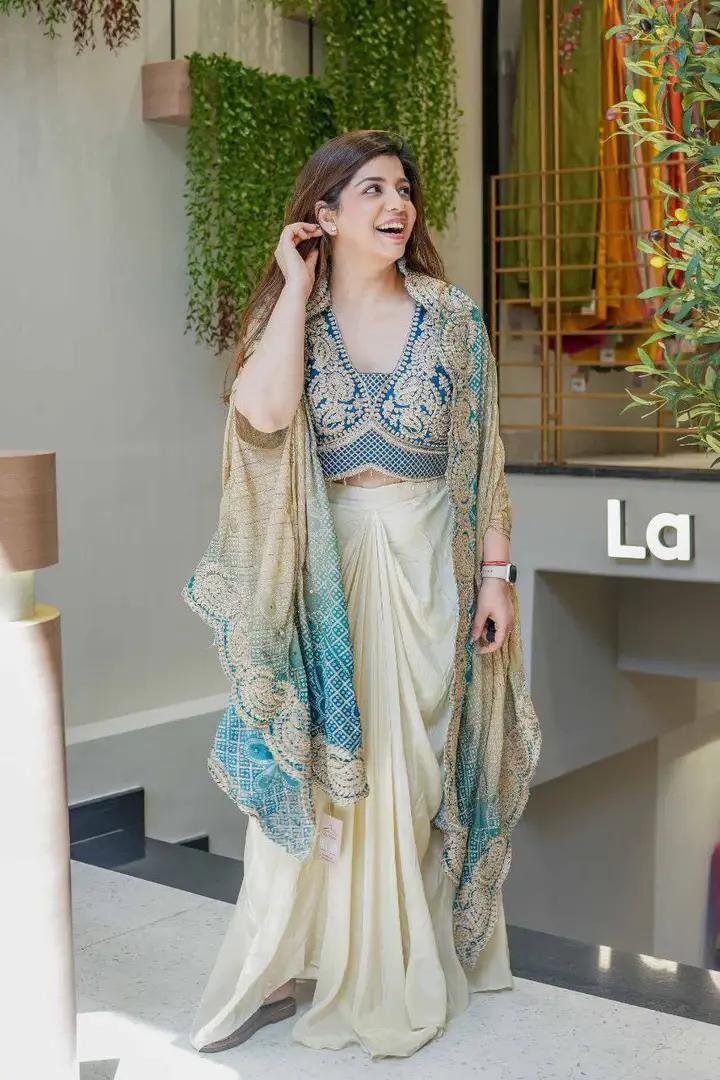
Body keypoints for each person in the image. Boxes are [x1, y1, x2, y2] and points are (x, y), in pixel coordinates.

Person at [183, 129, 540, 1060]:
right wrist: (292, 285)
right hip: (327, 576)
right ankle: (288, 964)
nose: (398, 205)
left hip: (432, 570)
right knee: (325, 773)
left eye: (404, 189)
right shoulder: (295, 322)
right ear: (326, 214)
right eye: (373, 189)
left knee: (413, 774)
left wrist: (497, 577)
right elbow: (264, 415)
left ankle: (407, 957)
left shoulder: (453, 318)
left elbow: (486, 459)